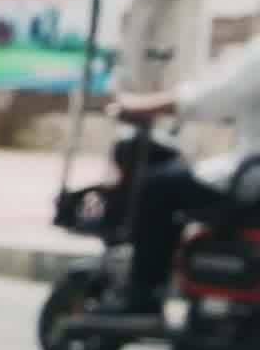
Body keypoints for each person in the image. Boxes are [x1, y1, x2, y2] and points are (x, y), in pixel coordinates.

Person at [109, 38, 260, 314]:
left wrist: (143, 104)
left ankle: (143, 296)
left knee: (156, 187)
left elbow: (213, 96)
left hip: (252, 175)